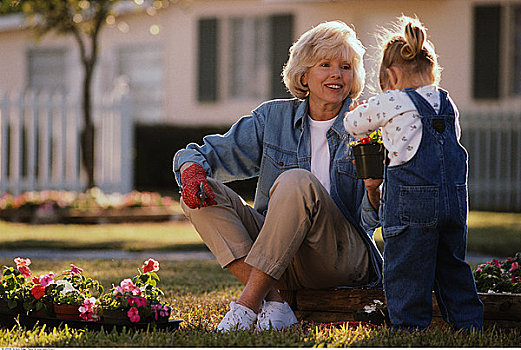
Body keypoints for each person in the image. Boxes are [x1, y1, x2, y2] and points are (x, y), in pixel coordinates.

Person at [173, 20, 383, 332]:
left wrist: (374, 191)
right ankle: (276, 303)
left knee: (296, 181)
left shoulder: (366, 123)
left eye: (346, 66)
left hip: (340, 258)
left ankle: (246, 306)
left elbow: (371, 221)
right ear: (304, 74)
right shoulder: (273, 117)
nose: (337, 74)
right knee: (201, 196)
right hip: (280, 257)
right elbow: (207, 154)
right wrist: (191, 172)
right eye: (324, 64)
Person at [343, 16, 483, 332]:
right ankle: (469, 326)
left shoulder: (393, 100)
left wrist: (356, 113)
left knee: (407, 267)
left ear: (391, 74)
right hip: (453, 203)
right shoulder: (446, 101)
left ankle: (409, 329)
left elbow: (353, 126)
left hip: (411, 205)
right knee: (452, 267)